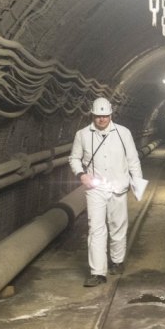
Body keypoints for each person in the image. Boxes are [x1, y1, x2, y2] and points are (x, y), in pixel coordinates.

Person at [69, 97, 143, 286]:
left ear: (110, 115)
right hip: (96, 188)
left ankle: (117, 262)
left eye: (105, 116)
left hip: (118, 186)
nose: (102, 120)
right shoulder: (83, 134)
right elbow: (74, 158)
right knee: (96, 229)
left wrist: (137, 185)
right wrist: (81, 174)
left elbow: (133, 160)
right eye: (98, 116)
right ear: (92, 115)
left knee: (118, 226)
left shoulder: (123, 133)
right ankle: (97, 272)